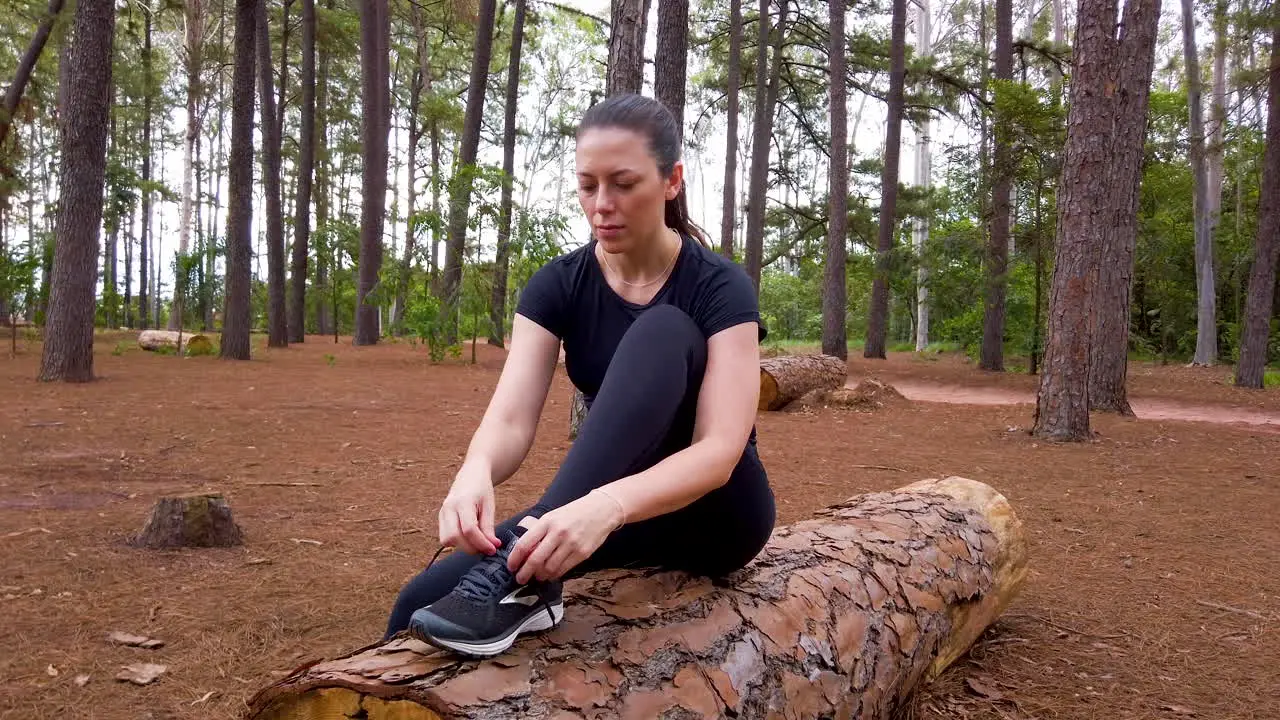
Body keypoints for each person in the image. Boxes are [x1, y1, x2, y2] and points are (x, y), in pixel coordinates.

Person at [383, 93, 775, 658]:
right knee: (420, 602)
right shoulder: (557, 285)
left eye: (623, 183)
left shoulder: (719, 286)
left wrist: (604, 508)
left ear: (671, 182)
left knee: (665, 330)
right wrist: (477, 470)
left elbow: (720, 450)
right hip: (607, 513)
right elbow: (514, 418)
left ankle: (530, 573)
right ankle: (525, 583)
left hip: (716, 514)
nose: (601, 205)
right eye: (587, 185)